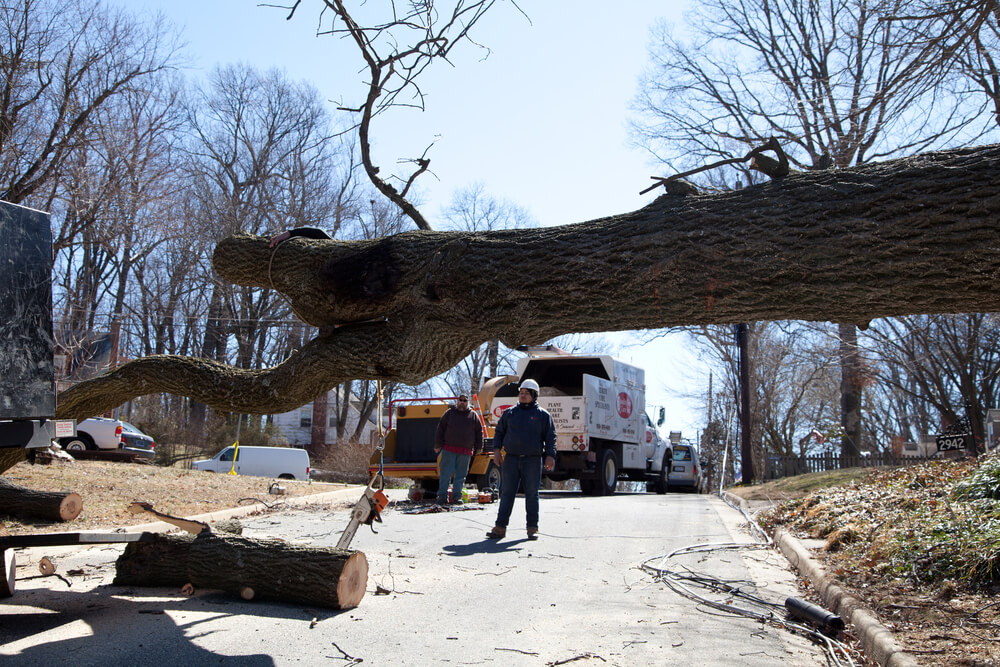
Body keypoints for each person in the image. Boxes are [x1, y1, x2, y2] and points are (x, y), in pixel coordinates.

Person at [486, 379, 556, 540]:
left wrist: (550, 456)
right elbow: (499, 432)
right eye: (521, 392)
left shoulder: (543, 415)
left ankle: (532, 527)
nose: (522, 395)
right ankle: (500, 527)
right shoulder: (510, 413)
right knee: (507, 493)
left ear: (534, 395)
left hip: (532, 460)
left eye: (526, 393)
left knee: (532, 494)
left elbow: (551, 437)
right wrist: (496, 451)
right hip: (510, 459)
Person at [434, 394, 483, 505]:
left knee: (461, 475)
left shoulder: (473, 415)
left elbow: (479, 432)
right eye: (460, 400)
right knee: (445, 474)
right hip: (448, 449)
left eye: (464, 400)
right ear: (457, 401)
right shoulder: (449, 413)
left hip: (465, 451)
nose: (462, 402)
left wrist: (479, 447)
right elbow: (440, 429)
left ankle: (457, 497)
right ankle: (442, 497)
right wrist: (437, 444)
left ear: (468, 402)